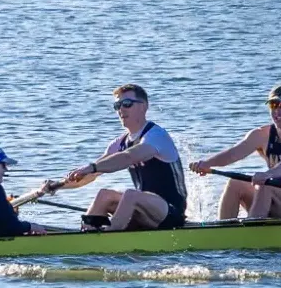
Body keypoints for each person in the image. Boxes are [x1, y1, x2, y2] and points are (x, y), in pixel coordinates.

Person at [45, 84, 190, 231]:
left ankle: (109, 236)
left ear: (144, 106)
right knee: (104, 195)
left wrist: (92, 167)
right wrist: (57, 186)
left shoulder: (156, 136)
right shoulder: (119, 143)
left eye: (127, 104)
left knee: (130, 195)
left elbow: (128, 157)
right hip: (143, 209)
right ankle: (87, 233)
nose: (121, 110)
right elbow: (89, 176)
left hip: (171, 212)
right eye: (117, 105)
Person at [188, 84, 281, 220]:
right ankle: (221, 232)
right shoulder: (261, 134)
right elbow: (233, 154)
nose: (277, 111)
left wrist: (268, 174)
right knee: (236, 182)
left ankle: (252, 232)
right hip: (279, 198)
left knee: (266, 184)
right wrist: (206, 164)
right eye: (273, 106)